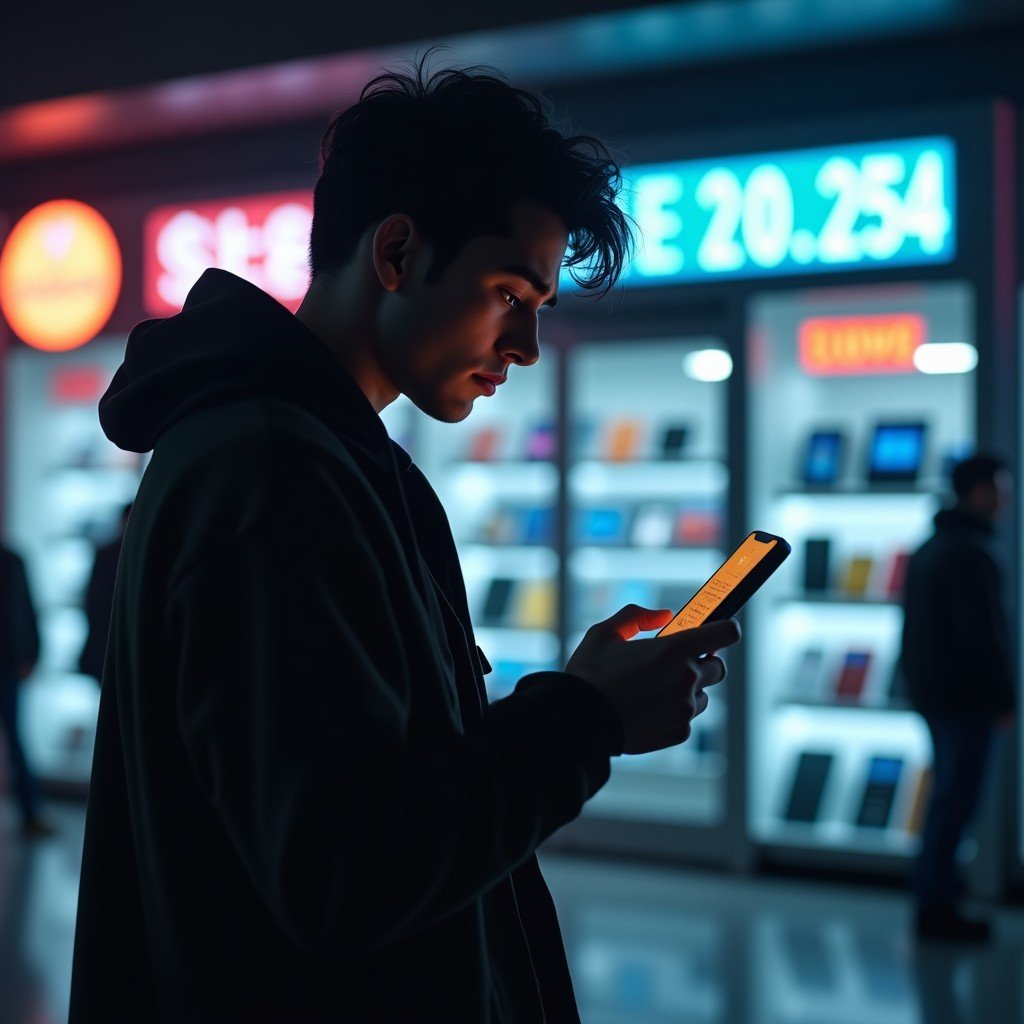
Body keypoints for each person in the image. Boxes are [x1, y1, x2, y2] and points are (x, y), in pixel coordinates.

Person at [69, 59, 740, 1022]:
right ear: (395, 254)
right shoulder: (272, 471)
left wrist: (582, 701)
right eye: (511, 293)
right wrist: (584, 721)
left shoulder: (312, 454)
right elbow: (346, 868)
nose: (525, 346)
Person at [901, 453, 1016, 942]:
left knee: (946, 800)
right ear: (979, 491)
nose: (1006, 498)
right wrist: (1004, 698)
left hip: (934, 694)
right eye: (1000, 487)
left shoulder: (932, 546)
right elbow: (983, 637)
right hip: (965, 699)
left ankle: (936, 899)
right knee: (955, 803)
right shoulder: (972, 551)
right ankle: (938, 906)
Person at [0, 541, 54, 838]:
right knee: (18, 739)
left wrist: (31, 654)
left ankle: (31, 811)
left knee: (18, 740)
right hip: (10, 663)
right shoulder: (12, 559)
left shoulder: (12, 560)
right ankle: (31, 812)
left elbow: (24, 608)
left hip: (7, 665)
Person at [78, 503, 132, 683]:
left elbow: (92, 602)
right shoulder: (108, 554)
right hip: (113, 642)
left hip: (106, 643)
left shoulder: (106, 553)